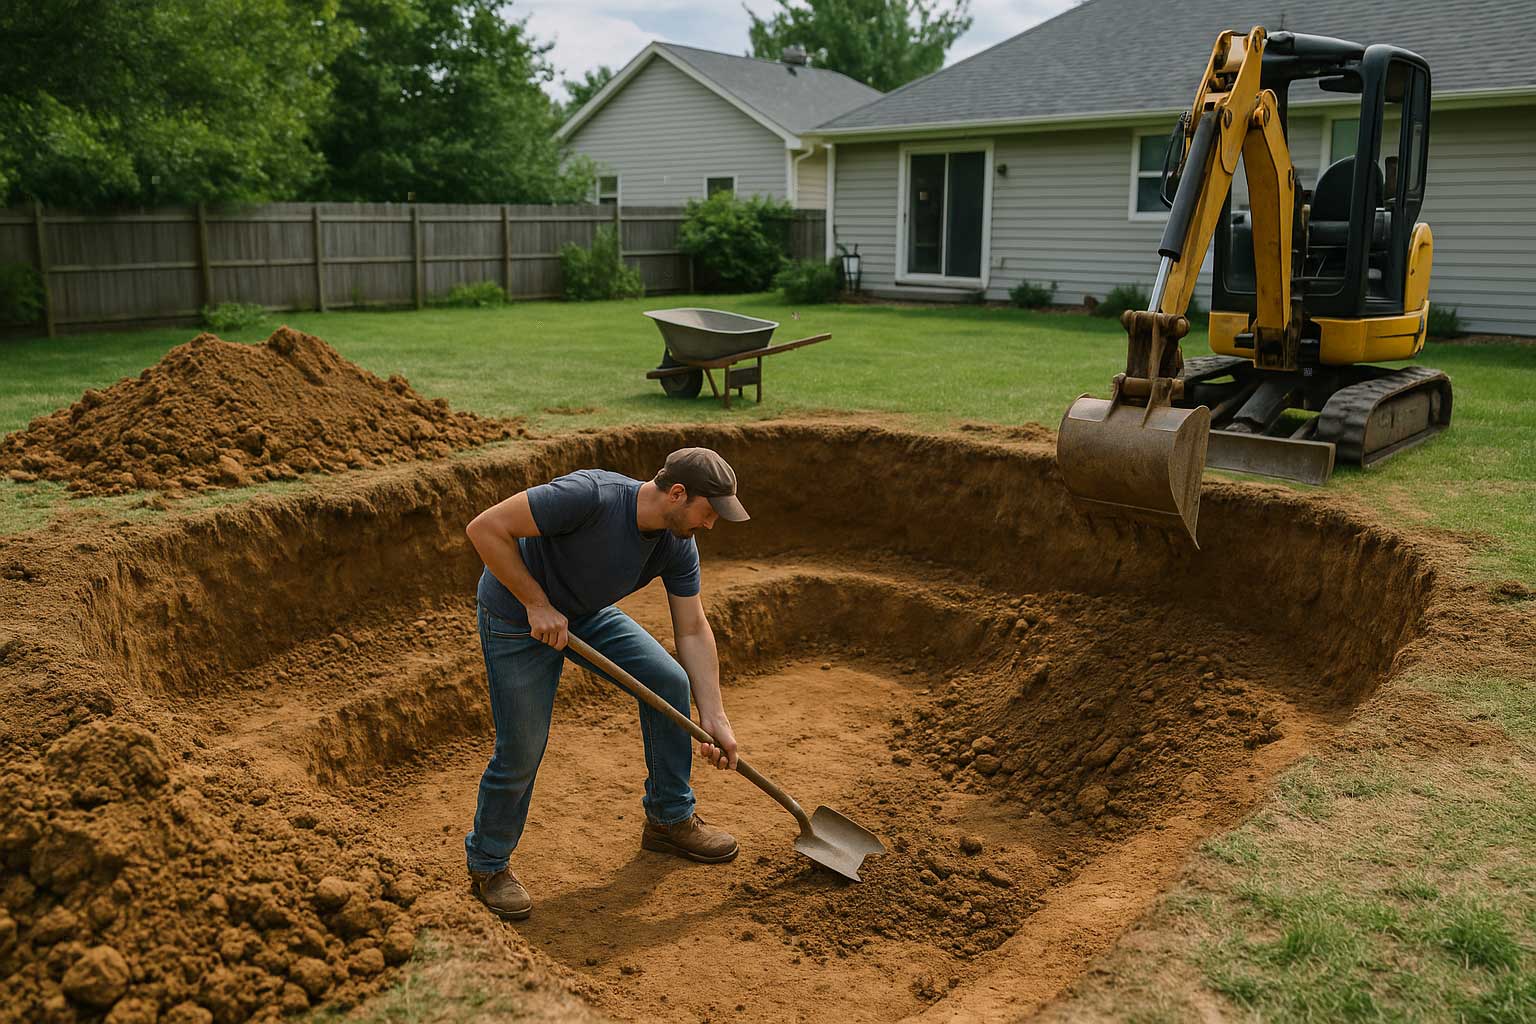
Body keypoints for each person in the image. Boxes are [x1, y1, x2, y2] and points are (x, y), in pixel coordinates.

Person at [461, 446, 750, 920]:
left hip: (583, 613)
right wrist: (535, 602)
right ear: (677, 494)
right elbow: (485, 528)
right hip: (516, 616)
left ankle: (668, 818)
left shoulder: (677, 543)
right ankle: (489, 864)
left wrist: (715, 716)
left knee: (668, 683)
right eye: (709, 512)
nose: (711, 524)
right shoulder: (589, 496)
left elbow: (694, 628)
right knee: (522, 746)